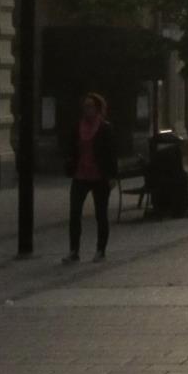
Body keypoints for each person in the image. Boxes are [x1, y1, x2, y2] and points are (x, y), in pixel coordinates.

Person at [66, 92, 120, 263]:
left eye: (90, 106)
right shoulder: (78, 127)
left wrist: (112, 176)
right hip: (80, 175)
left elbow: (111, 153)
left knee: (101, 214)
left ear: (97, 108)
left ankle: (100, 250)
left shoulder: (105, 128)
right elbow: (72, 149)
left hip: (99, 176)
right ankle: (74, 250)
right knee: (75, 213)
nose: (86, 109)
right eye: (85, 106)